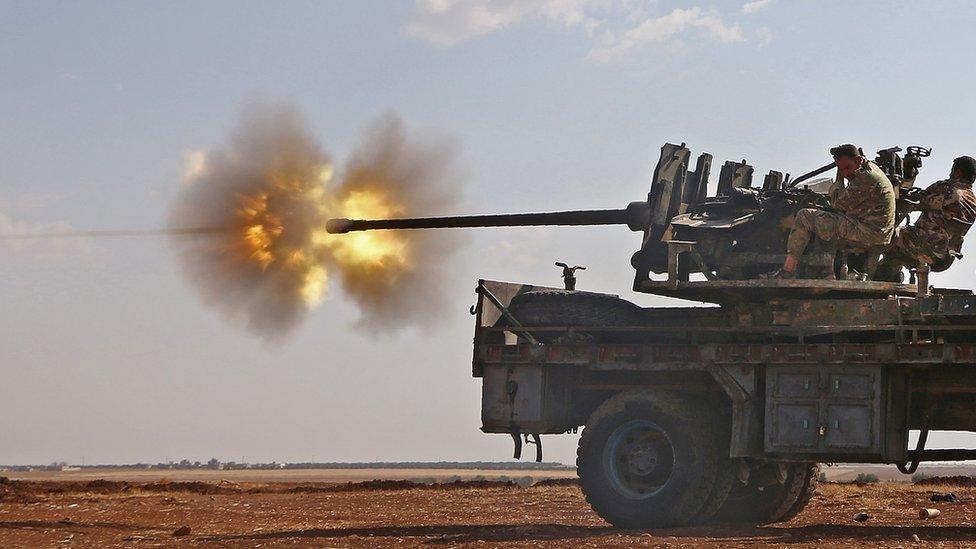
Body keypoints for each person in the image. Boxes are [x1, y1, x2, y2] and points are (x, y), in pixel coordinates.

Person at [767, 144, 896, 279]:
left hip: (869, 233)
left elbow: (837, 203)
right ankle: (826, 272)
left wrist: (839, 179)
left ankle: (788, 270)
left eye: (847, 168)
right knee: (827, 220)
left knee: (805, 216)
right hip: (877, 231)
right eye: (841, 170)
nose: (846, 173)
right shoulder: (870, 168)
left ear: (858, 160)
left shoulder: (866, 178)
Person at [877, 156, 976, 280]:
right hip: (944, 257)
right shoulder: (972, 200)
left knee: (880, 233)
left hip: (926, 248)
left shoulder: (947, 189)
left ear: (958, 172)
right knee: (898, 244)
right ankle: (889, 273)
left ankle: (863, 272)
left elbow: (912, 201)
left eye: (952, 170)